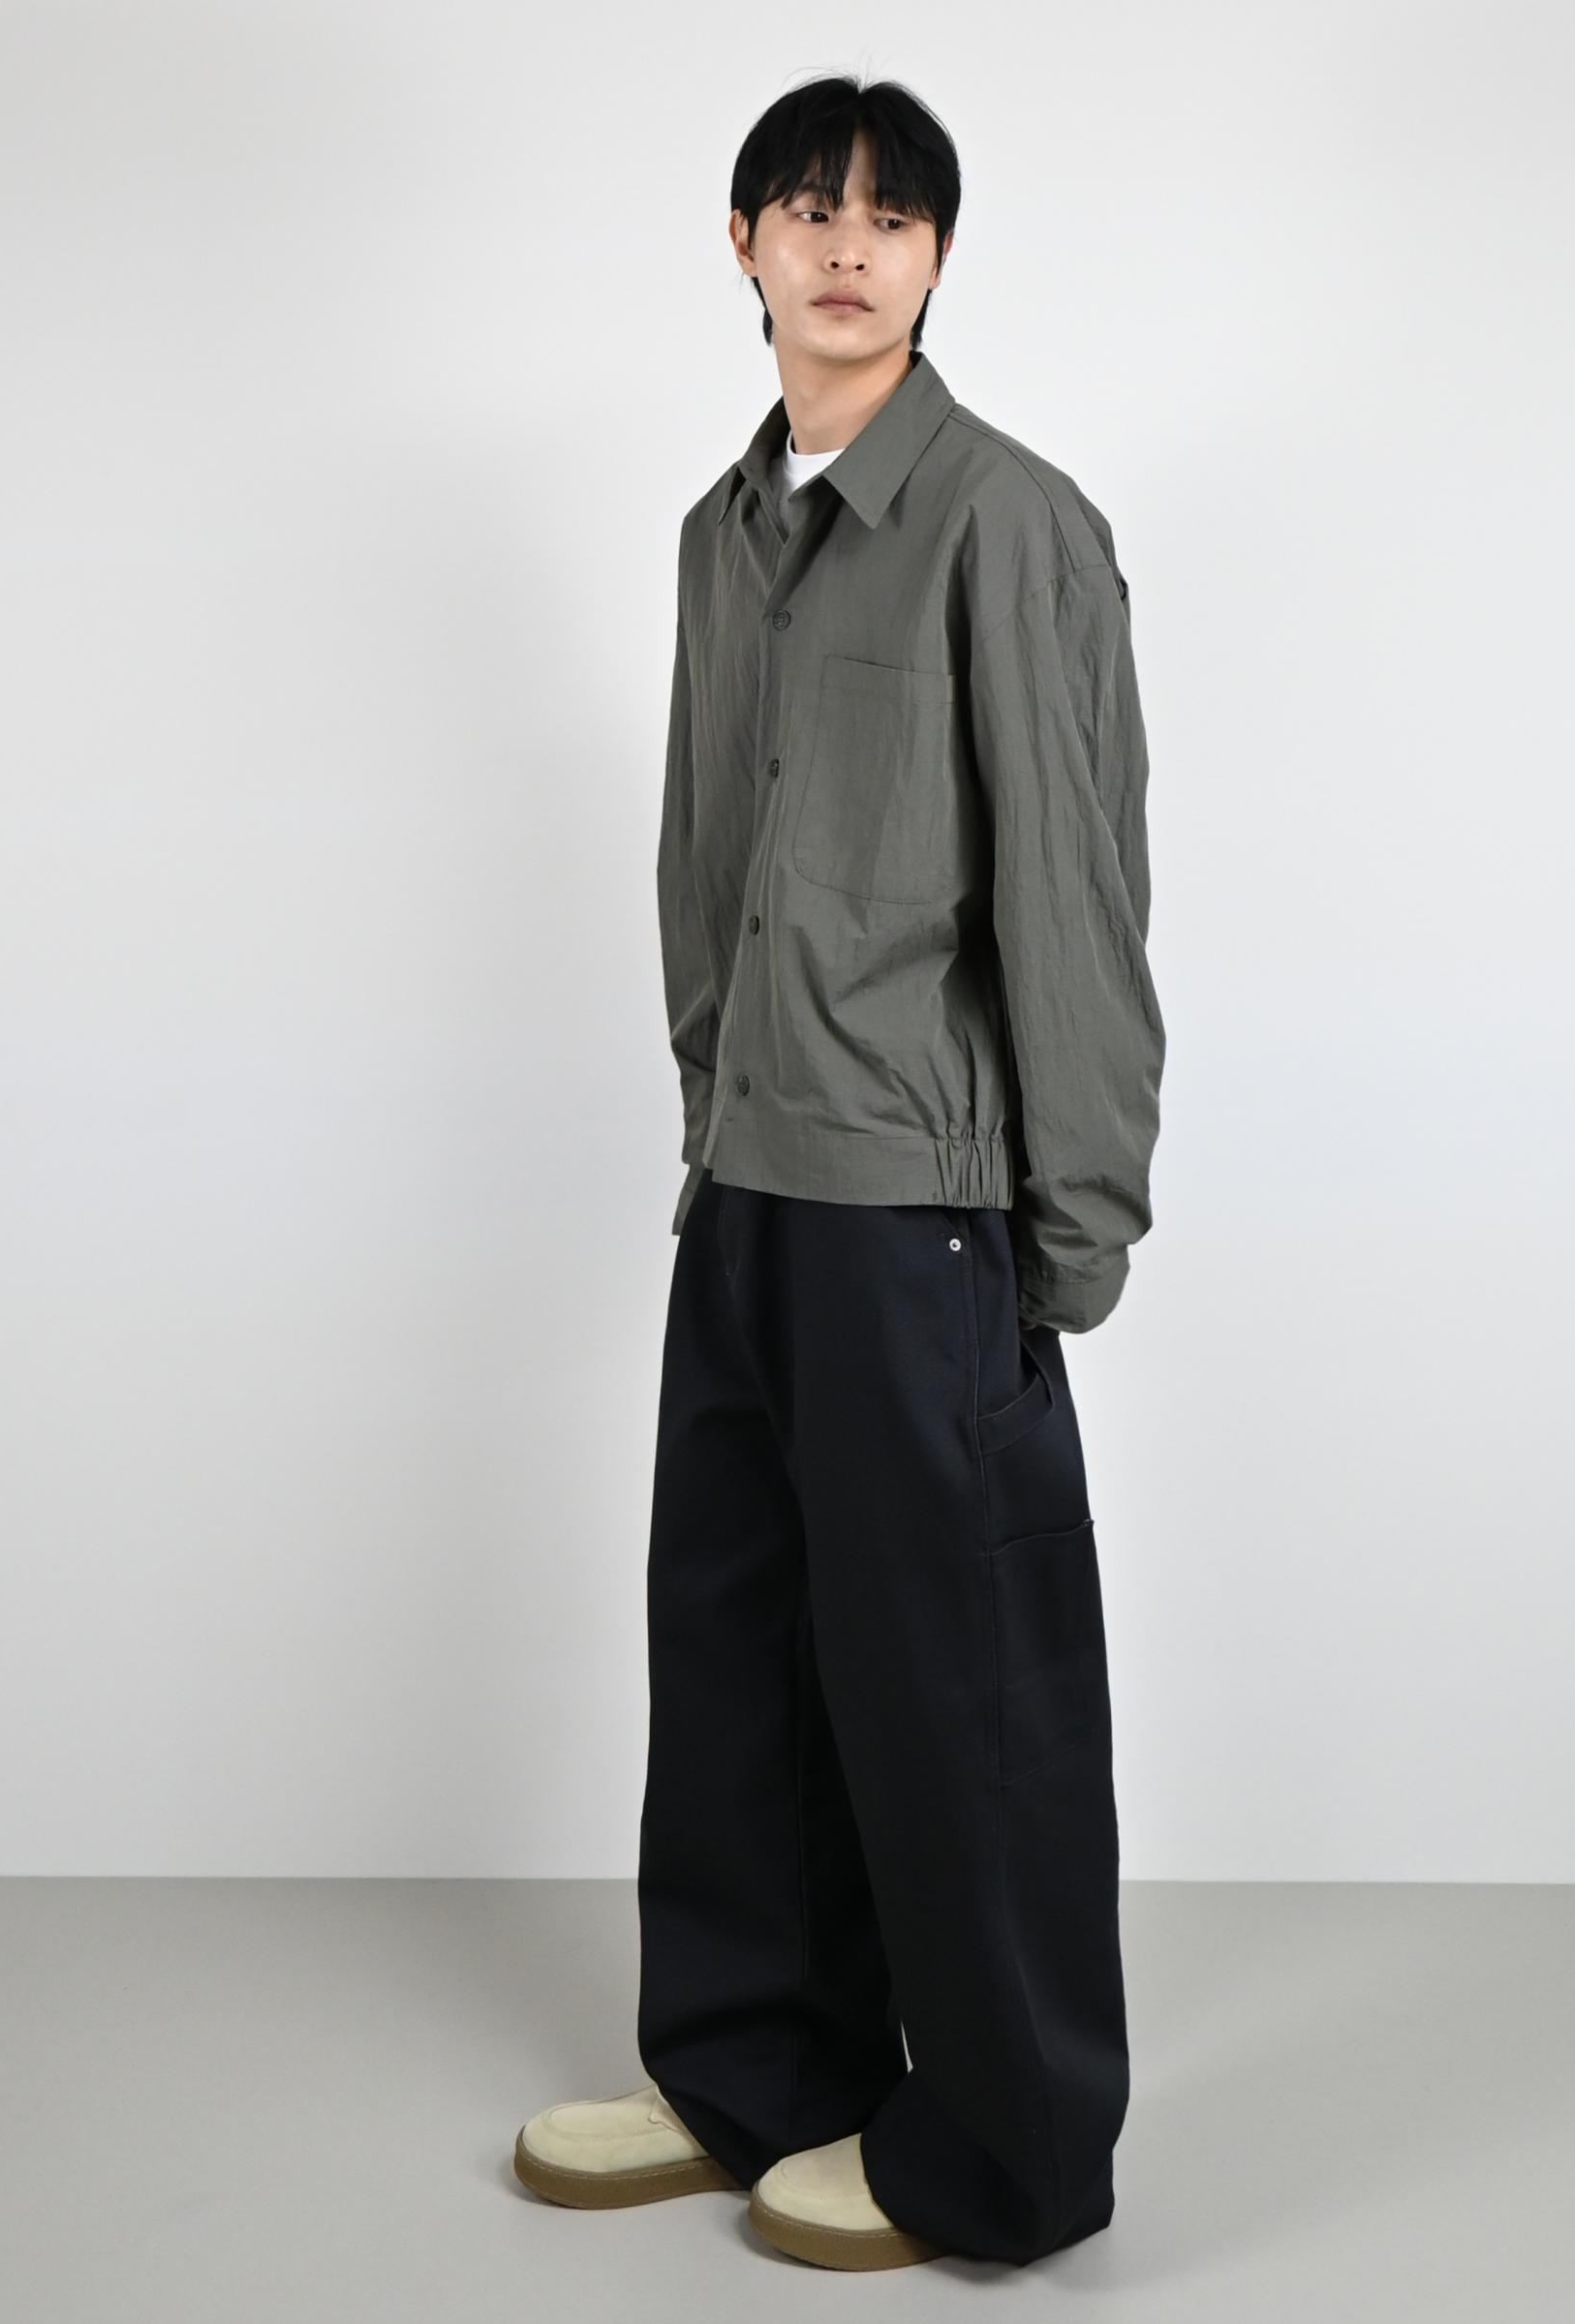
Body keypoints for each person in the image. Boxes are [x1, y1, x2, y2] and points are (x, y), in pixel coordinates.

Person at [512, 72, 1164, 2271]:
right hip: (750, 1187)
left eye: (891, 216)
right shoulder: (726, 528)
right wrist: (715, 1109)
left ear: (940, 257)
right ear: (746, 244)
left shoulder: (1010, 522)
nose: (849, 246)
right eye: (810, 208)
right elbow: (703, 850)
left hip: (926, 1206)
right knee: (738, 1656)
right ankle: (750, 2072)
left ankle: (1001, 2147)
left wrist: (1075, 1218)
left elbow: (1073, 897)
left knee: (957, 1687)